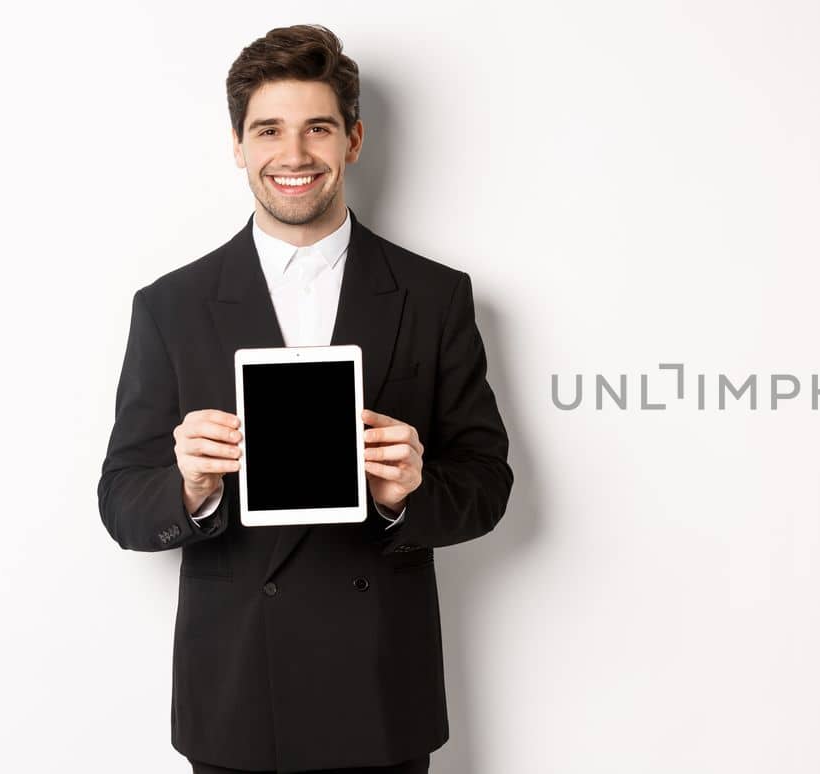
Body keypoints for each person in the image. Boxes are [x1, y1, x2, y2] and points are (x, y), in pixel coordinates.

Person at [96, 24, 513, 773]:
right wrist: (187, 488)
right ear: (238, 145)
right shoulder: (171, 306)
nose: (293, 156)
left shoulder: (434, 295)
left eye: (316, 128)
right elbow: (121, 502)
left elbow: (487, 484)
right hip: (235, 701)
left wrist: (404, 494)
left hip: (381, 693)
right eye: (269, 131)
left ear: (352, 141)